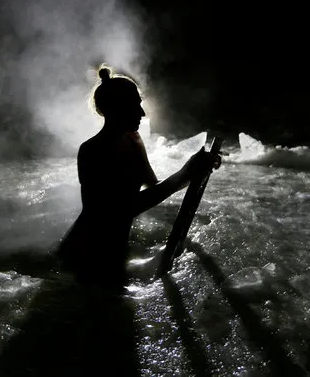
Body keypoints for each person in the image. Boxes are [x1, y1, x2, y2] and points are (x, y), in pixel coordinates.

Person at [57, 65, 221, 289]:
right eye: (135, 105)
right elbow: (114, 211)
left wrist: (197, 169)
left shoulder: (134, 141)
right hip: (86, 255)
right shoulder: (92, 151)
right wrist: (184, 172)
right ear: (115, 109)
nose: (142, 113)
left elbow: (155, 188)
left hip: (114, 254)